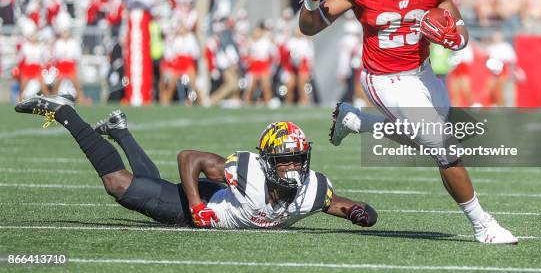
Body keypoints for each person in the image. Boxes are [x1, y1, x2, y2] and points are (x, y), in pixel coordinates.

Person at [298, 0, 517, 244]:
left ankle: (355, 121)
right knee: (444, 146)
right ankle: (483, 224)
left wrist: (458, 37)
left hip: (423, 71)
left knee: (426, 138)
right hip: (384, 76)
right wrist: (312, 0)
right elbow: (310, 27)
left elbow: (452, 15)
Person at [15, 95, 377, 229]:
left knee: (149, 189)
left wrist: (363, 213)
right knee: (119, 185)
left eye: (298, 160)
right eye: (285, 162)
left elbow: (344, 206)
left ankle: (120, 131)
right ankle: (65, 112)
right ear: (267, 162)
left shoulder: (310, 190)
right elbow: (190, 158)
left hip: (217, 199)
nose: (294, 169)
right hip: (202, 204)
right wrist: (197, 206)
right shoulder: (248, 171)